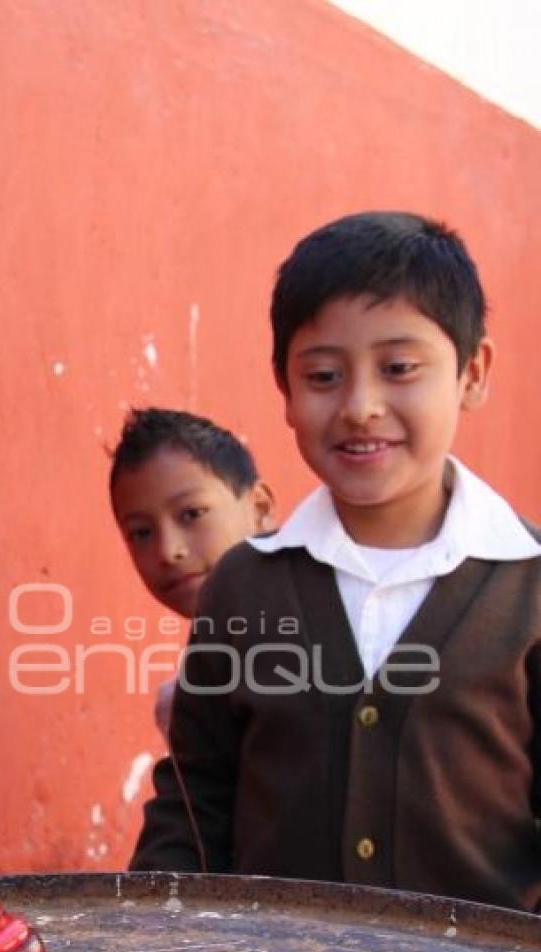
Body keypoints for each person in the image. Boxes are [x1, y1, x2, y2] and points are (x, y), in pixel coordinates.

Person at [130, 211, 541, 911]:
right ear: (285, 391)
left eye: (399, 368)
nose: (359, 406)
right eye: (323, 375)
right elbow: (196, 803)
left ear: (472, 373)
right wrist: (157, 947)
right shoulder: (244, 585)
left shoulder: (528, 587)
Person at [110, 406, 276, 734]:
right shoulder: (180, 705)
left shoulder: (343, 632)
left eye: (192, 514)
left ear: (259, 507)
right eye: (141, 533)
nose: (168, 552)